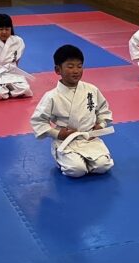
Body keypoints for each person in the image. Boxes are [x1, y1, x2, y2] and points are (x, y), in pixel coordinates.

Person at [30, 44, 114, 178]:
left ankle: (86, 161)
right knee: (76, 170)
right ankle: (60, 157)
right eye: (70, 67)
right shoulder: (52, 96)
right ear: (58, 70)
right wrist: (57, 133)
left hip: (89, 138)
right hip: (66, 140)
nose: (76, 71)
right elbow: (38, 121)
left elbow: (103, 110)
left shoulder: (91, 89)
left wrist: (101, 124)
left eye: (79, 66)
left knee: (103, 166)